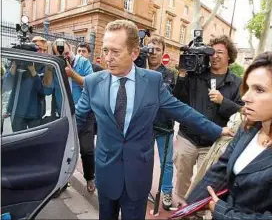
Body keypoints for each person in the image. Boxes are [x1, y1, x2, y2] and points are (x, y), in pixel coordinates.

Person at [75, 19, 233, 220]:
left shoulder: (152, 80)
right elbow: (78, 120)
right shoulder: (93, 82)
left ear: (134, 53)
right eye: (105, 50)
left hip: (138, 175)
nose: (108, 58)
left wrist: (218, 130)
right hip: (107, 172)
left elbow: (181, 111)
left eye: (115, 52)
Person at [186, 51, 272, 220]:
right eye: (248, 87)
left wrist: (221, 212)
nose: (245, 97)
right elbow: (220, 170)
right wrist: (187, 209)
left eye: (259, 90)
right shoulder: (248, 129)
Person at [173, 35, 244, 199]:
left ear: (229, 57)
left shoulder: (237, 83)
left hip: (214, 142)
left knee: (205, 183)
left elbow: (242, 112)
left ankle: (196, 210)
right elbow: (178, 100)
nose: (215, 56)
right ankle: (181, 209)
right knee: (182, 179)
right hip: (188, 138)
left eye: (220, 52)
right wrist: (182, 75)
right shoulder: (196, 76)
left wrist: (223, 101)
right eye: (212, 52)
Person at [44, 39, 95, 193]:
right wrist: (49, 68)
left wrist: (72, 74)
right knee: (65, 151)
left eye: (66, 53)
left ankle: (90, 177)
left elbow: (90, 84)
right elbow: (47, 90)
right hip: (64, 116)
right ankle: (63, 182)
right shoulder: (54, 65)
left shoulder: (83, 63)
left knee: (86, 150)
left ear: (71, 49)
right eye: (60, 54)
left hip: (85, 115)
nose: (64, 56)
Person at [147, 36, 175, 210]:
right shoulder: (138, 69)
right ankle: (143, 188)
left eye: (158, 49)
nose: (154, 53)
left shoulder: (169, 74)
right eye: (151, 49)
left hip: (164, 125)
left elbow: (167, 98)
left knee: (167, 162)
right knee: (144, 160)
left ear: (163, 52)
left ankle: (166, 191)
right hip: (144, 126)